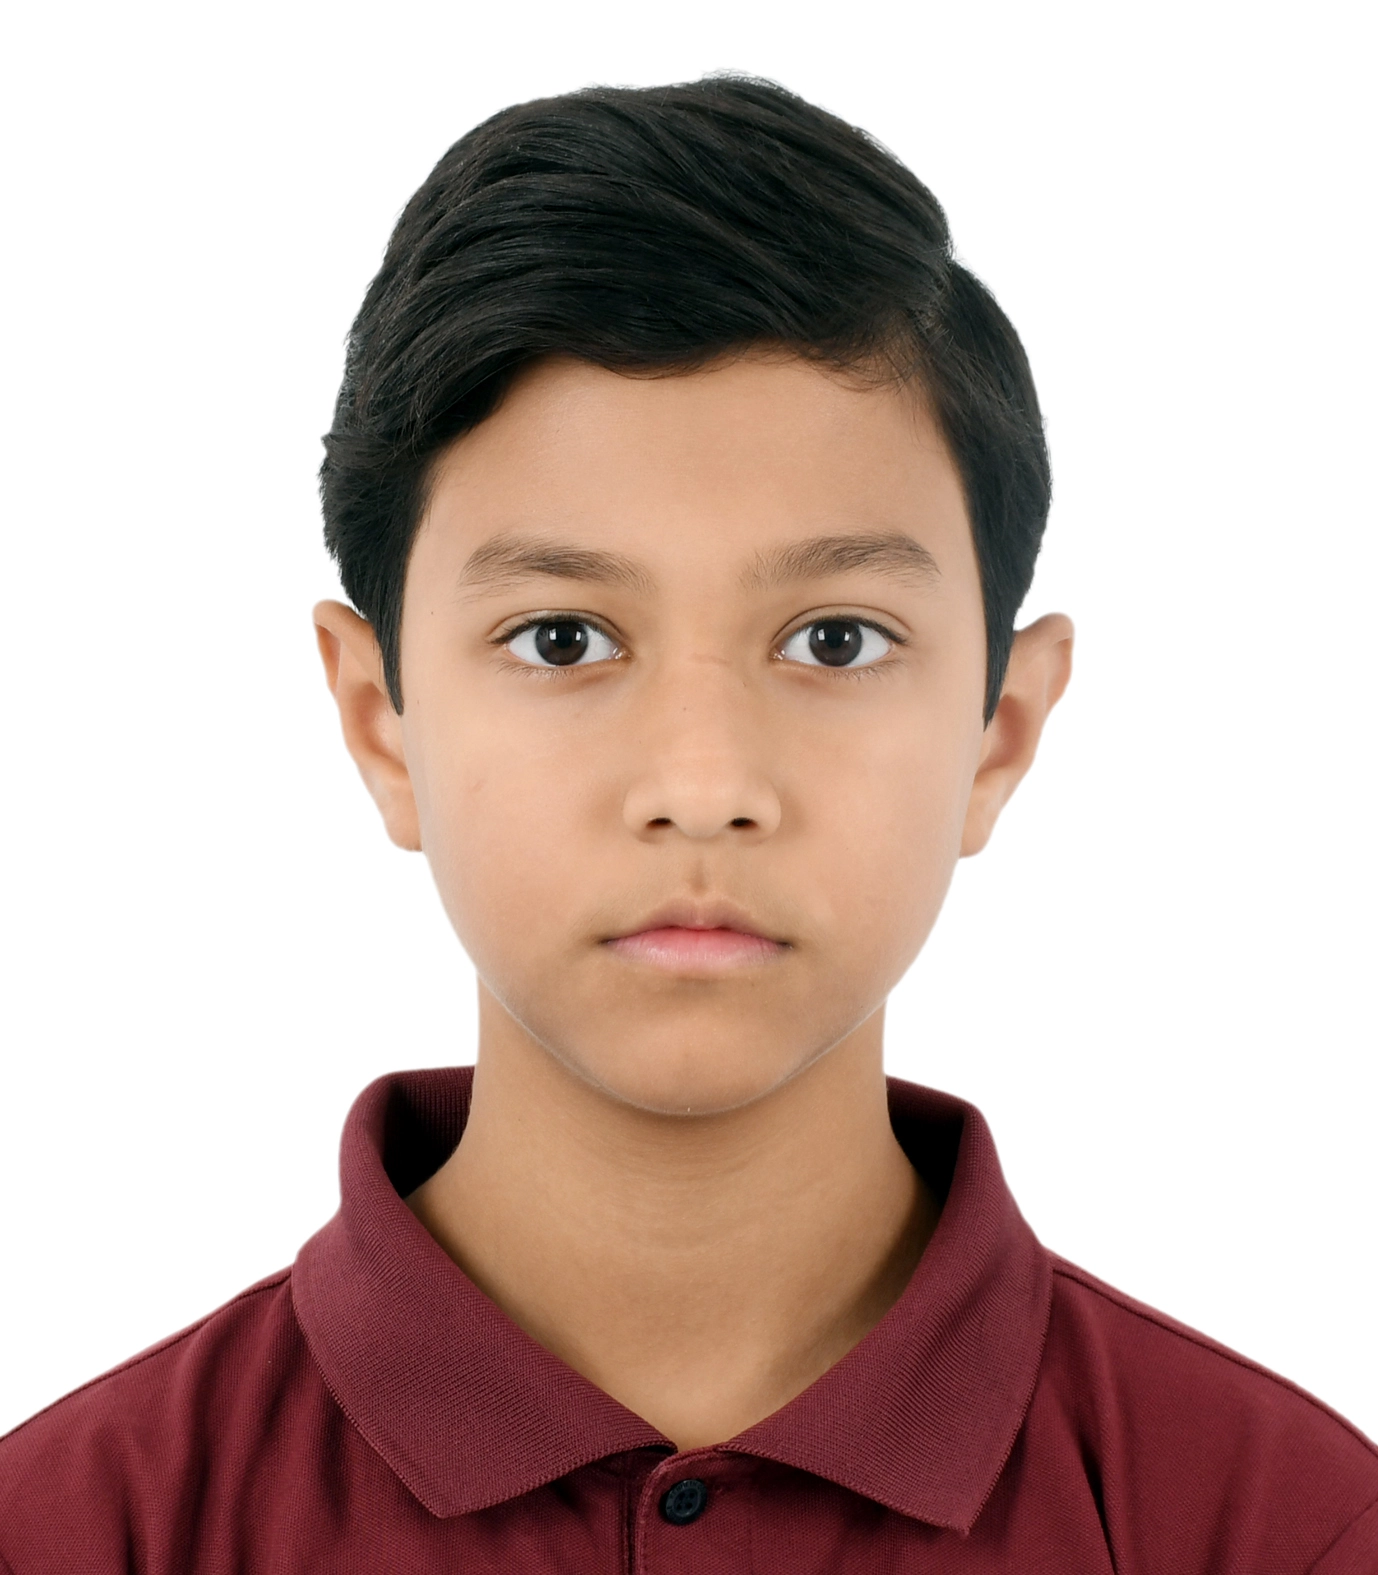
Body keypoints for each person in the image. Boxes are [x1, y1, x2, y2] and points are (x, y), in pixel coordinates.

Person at [1, 74, 1373, 1574]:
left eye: (835, 640)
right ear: (378, 717)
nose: (704, 781)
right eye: (564, 639)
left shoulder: (1279, 1528)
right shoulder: (79, 1529)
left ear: (1002, 730)